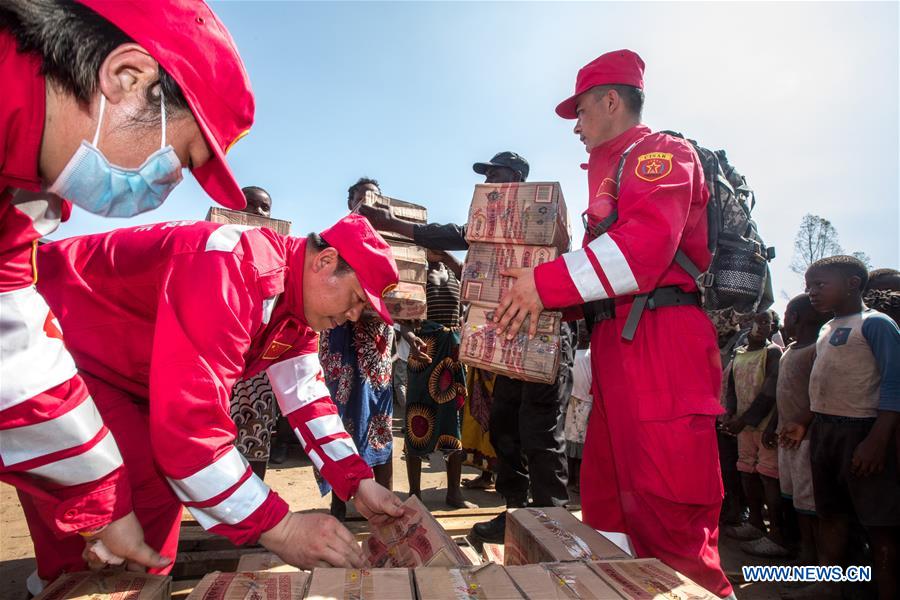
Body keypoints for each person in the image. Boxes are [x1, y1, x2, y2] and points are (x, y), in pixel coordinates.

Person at [0, 0, 255, 579]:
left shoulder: (23, 200)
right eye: (176, 161)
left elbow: (11, 345)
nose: (164, 188)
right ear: (126, 77)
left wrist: (103, 500)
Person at [34, 215, 405, 578]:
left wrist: (357, 482)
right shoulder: (229, 269)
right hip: (54, 346)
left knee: (155, 496)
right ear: (325, 262)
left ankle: (136, 582)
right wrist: (283, 528)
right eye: (356, 298)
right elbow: (191, 431)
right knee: (100, 493)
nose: (355, 315)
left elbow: (307, 399)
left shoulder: (294, 313)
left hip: (121, 371)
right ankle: (63, 582)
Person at [489, 50, 732, 596]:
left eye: (579, 111)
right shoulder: (613, 171)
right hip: (618, 347)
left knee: (674, 527)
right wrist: (540, 300)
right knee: (608, 512)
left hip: (661, 348)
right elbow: (606, 277)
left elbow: (644, 249)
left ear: (612, 100)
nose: (575, 126)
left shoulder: (659, 155)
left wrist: (545, 284)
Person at [360, 152, 575, 543]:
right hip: (509, 337)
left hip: (543, 337)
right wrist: (392, 226)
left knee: (540, 433)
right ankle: (515, 514)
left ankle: (551, 525)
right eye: (486, 174)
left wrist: (391, 222)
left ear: (518, 179)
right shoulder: (489, 226)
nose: (489, 180)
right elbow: (457, 233)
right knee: (505, 429)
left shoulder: (538, 216)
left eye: (496, 173)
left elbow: (457, 234)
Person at [804, 255, 900, 600]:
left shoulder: (876, 324)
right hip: (824, 431)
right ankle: (831, 586)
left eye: (820, 284)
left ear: (853, 283)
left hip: (861, 433)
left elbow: (894, 383)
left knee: (878, 524)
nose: (812, 292)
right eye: (808, 286)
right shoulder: (825, 328)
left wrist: (877, 439)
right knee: (831, 513)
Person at [319, 178, 396, 521]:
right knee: (339, 414)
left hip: (374, 340)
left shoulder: (392, 244)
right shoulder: (335, 238)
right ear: (349, 200)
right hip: (339, 335)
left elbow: (403, 299)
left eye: (373, 195)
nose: (366, 200)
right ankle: (339, 506)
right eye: (360, 195)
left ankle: (387, 502)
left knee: (379, 415)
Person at [403, 247, 474, 509]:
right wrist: (410, 338)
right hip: (425, 350)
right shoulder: (415, 270)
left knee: (452, 419)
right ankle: (414, 494)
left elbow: (472, 277)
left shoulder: (454, 272)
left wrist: (444, 256)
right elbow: (402, 312)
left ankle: (454, 493)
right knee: (417, 418)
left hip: (453, 353)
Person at [722, 310, 787, 557]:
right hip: (742, 426)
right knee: (746, 472)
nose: (759, 327)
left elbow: (770, 391)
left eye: (765, 323)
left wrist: (747, 419)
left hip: (763, 426)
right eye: (755, 322)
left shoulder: (772, 353)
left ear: (772, 327)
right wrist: (730, 414)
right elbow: (731, 389)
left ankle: (776, 534)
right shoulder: (739, 354)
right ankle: (755, 523)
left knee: (768, 477)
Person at [776, 294, 829, 570]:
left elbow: (822, 393)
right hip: (786, 437)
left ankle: (817, 563)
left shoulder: (818, 349)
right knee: (795, 500)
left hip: (806, 439)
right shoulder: (790, 349)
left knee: (811, 505)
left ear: (794, 317)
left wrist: (803, 422)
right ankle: (803, 554)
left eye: (786, 314)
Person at [564, 321, 592, 495]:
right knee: (576, 444)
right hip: (579, 404)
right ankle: (574, 480)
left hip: (579, 404)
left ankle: (574, 480)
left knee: (574, 444)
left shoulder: (582, 355)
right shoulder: (584, 356)